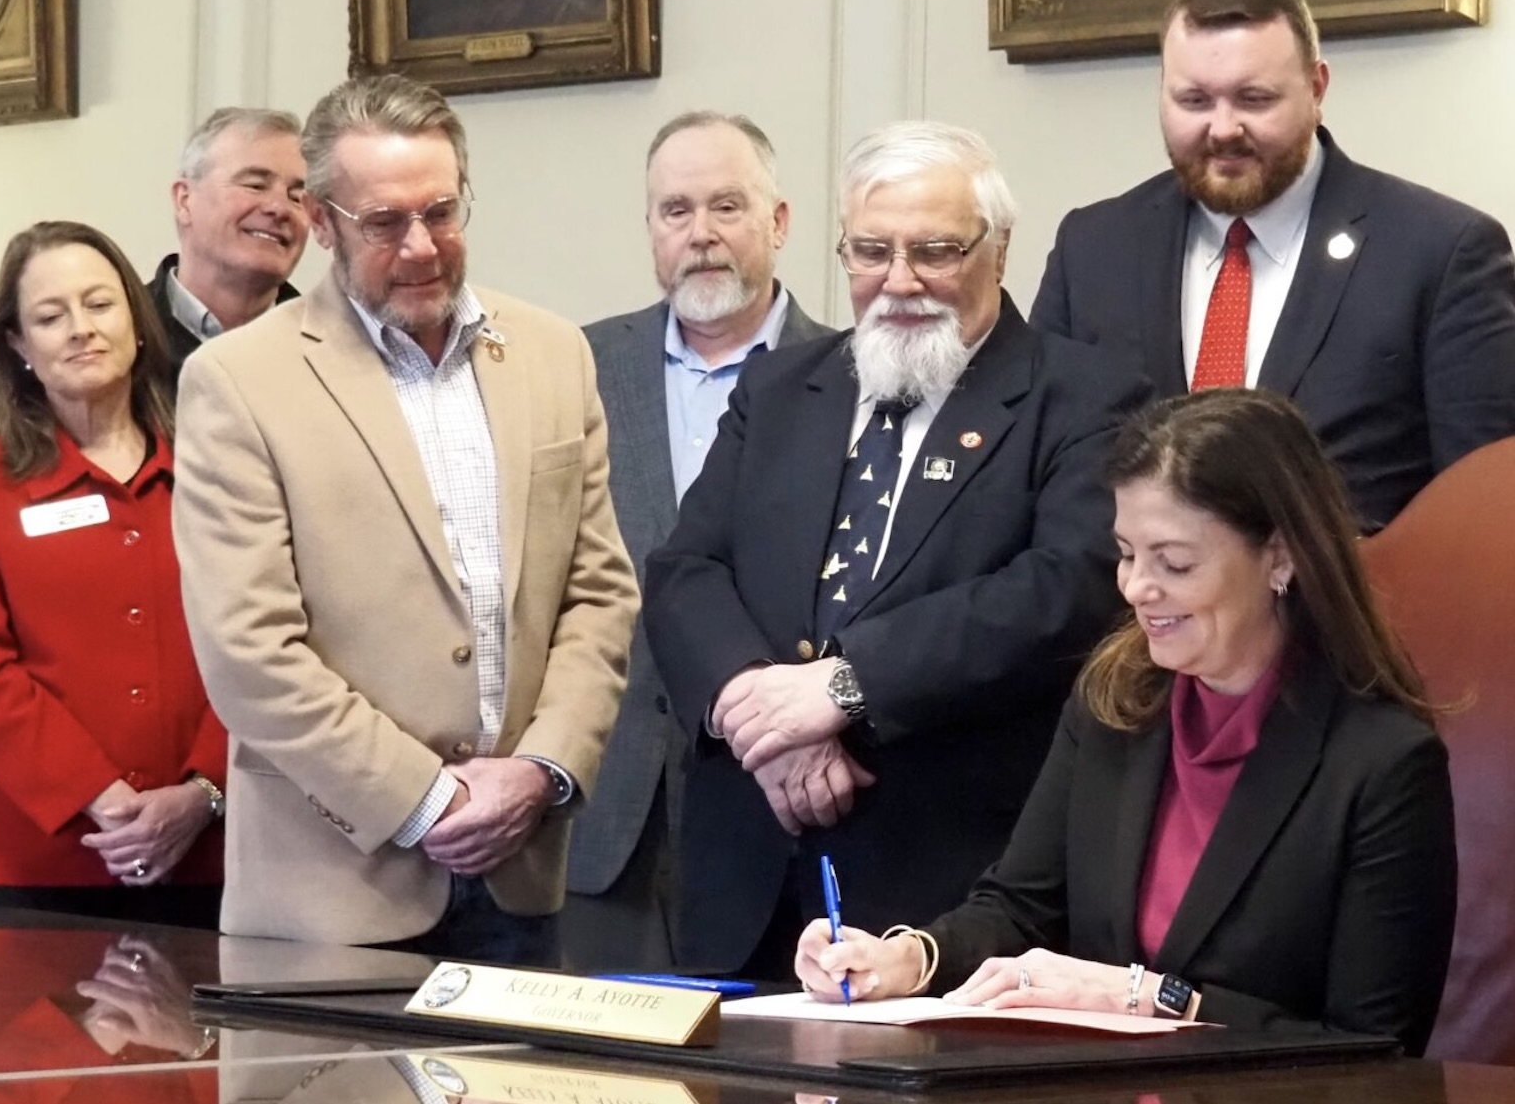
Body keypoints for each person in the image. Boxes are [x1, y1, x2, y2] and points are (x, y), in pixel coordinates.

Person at [795, 389, 1457, 1057]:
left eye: (1173, 562)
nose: (1137, 586)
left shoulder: (1383, 763)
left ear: (1280, 556)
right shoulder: (1116, 702)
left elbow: (1376, 1049)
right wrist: (907, 958)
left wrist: (1149, 998)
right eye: (1125, 553)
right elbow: (1020, 907)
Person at [643, 121, 1151, 979]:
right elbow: (684, 570)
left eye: (935, 250)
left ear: (998, 248)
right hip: (749, 870)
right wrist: (767, 719)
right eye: (871, 251)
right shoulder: (779, 387)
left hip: (949, 887)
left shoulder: (1085, 396)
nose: (900, 280)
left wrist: (844, 688)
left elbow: (1063, 589)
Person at [172, 73, 638, 962]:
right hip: (334, 896)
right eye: (385, 223)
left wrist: (539, 772)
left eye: (443, 212)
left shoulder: (552, 353)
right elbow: (249, 652)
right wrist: (428, 799)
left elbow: (598, 594)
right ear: (320, 221)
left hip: (521, 868)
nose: (422, 247)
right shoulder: (239, 382)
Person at [1030, 0, 1515, 533]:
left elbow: (1484, 512)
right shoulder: (1092, 248)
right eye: (1194, 101)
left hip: (1344, 613)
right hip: (1124, 612)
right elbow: (1041, 474)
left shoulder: (1442, 253)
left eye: (1254, 99)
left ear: (1317, 89)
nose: (1223, 128)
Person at [565, 111, 835, 970]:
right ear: (650, 228)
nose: (702, 234)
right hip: (607, 810)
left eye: (728, 206)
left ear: (779, 223)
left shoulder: (852, 373)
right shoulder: (578, 365)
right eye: (676, 211)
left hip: (776, 807)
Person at [0, 221, 226, 929]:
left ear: (138, 324)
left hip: (203, 853)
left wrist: (203, 790)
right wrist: (108, 800)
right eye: (50, 317)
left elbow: (263, 645)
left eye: (100, 304)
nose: (81, 330)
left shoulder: (219, 468)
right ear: (20, 347)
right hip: (18, 867)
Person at [147, 107, 309, 369]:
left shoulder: (337, 351)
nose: (280, 208)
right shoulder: (120, 340)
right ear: (184, 200)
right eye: (255, 185)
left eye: (297, 197)